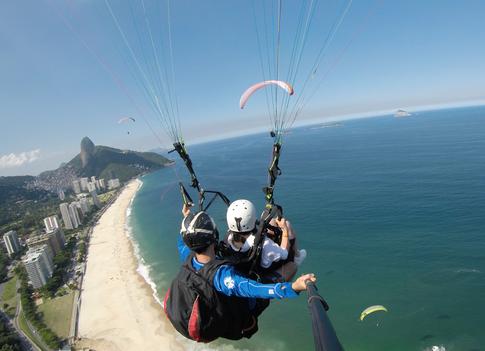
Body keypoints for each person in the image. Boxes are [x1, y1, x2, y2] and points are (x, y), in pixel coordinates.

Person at [163, 205, 316, 343]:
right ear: (214, 236)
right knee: (291, 267)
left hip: (208, 303)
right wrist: (294, 287)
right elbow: (257, 289)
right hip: (246, 309)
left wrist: (187, 218)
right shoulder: (224, 277)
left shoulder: (187, 256)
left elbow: (182, 241)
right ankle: (296, 261)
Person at [225, 199, 306, 282]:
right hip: (261, 275)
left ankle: (297, 255)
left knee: (272, 222)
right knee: (288, 226)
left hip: (245, 269)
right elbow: (284, 253)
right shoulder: (265, 244)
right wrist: (284, 229)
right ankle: (296, 257)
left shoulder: (228, 238)